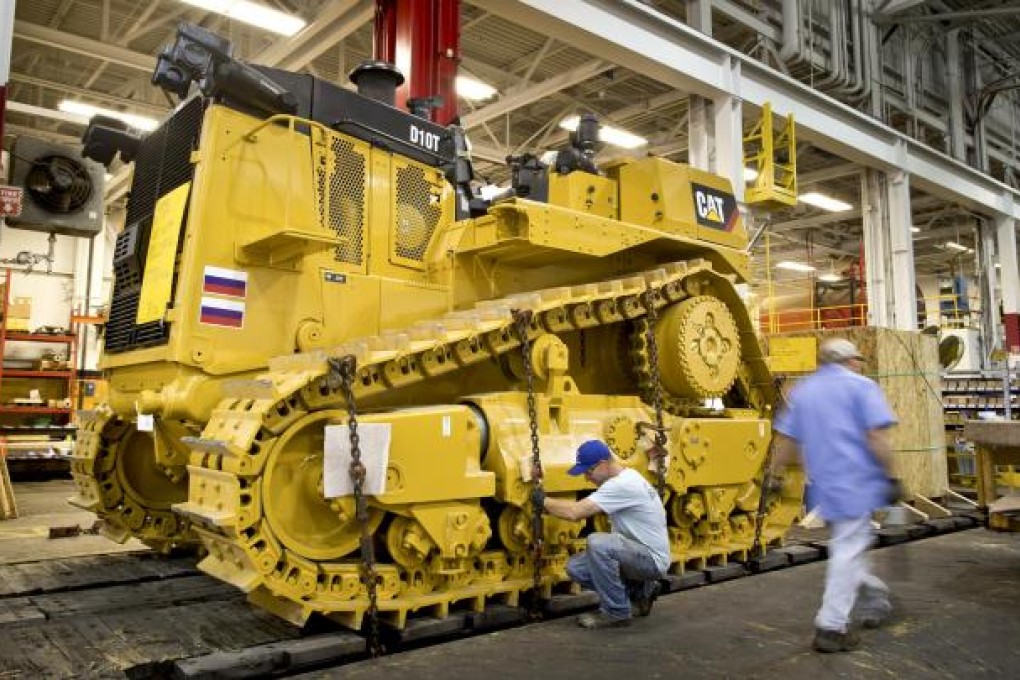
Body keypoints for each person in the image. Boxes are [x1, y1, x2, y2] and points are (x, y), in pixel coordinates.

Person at [770, 337, 901, 653]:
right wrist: (892, 476)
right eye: (857, 360)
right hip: (858, 482)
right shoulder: (861, 387)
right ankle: (831, 626)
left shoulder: (804, 391)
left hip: (823, 487)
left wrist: (774, 473)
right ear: (849, 360)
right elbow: (876, 436)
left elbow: (786, 437)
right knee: (848, 549)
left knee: (850, 544)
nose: (859, 365)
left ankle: (873, 596)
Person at [533, 439, 671, 629]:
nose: (587, 478)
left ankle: (616, 613)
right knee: (576, 568)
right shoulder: (628, 476)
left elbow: (575, 512)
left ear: (603, 464)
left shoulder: (622, 485)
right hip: (639, 554)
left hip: (651, 560)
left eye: (589, 472)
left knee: (597, 543)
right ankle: (640, 593)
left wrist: (543, 501)